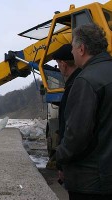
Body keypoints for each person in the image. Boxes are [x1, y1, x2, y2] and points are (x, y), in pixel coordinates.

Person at [56, 23, 112, 200]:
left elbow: (77, 135)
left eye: (72, 47)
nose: (71, 53)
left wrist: (59, 157)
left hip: (91, 181)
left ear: (81, 49)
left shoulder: (86, 80)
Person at [52, 44, 82, 182]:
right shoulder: (82, 80)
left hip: (78, 167)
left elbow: (70, 130)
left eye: (58, 64)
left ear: (63, 64)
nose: (58, 68)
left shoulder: (73, 87)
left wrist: (61, 163)